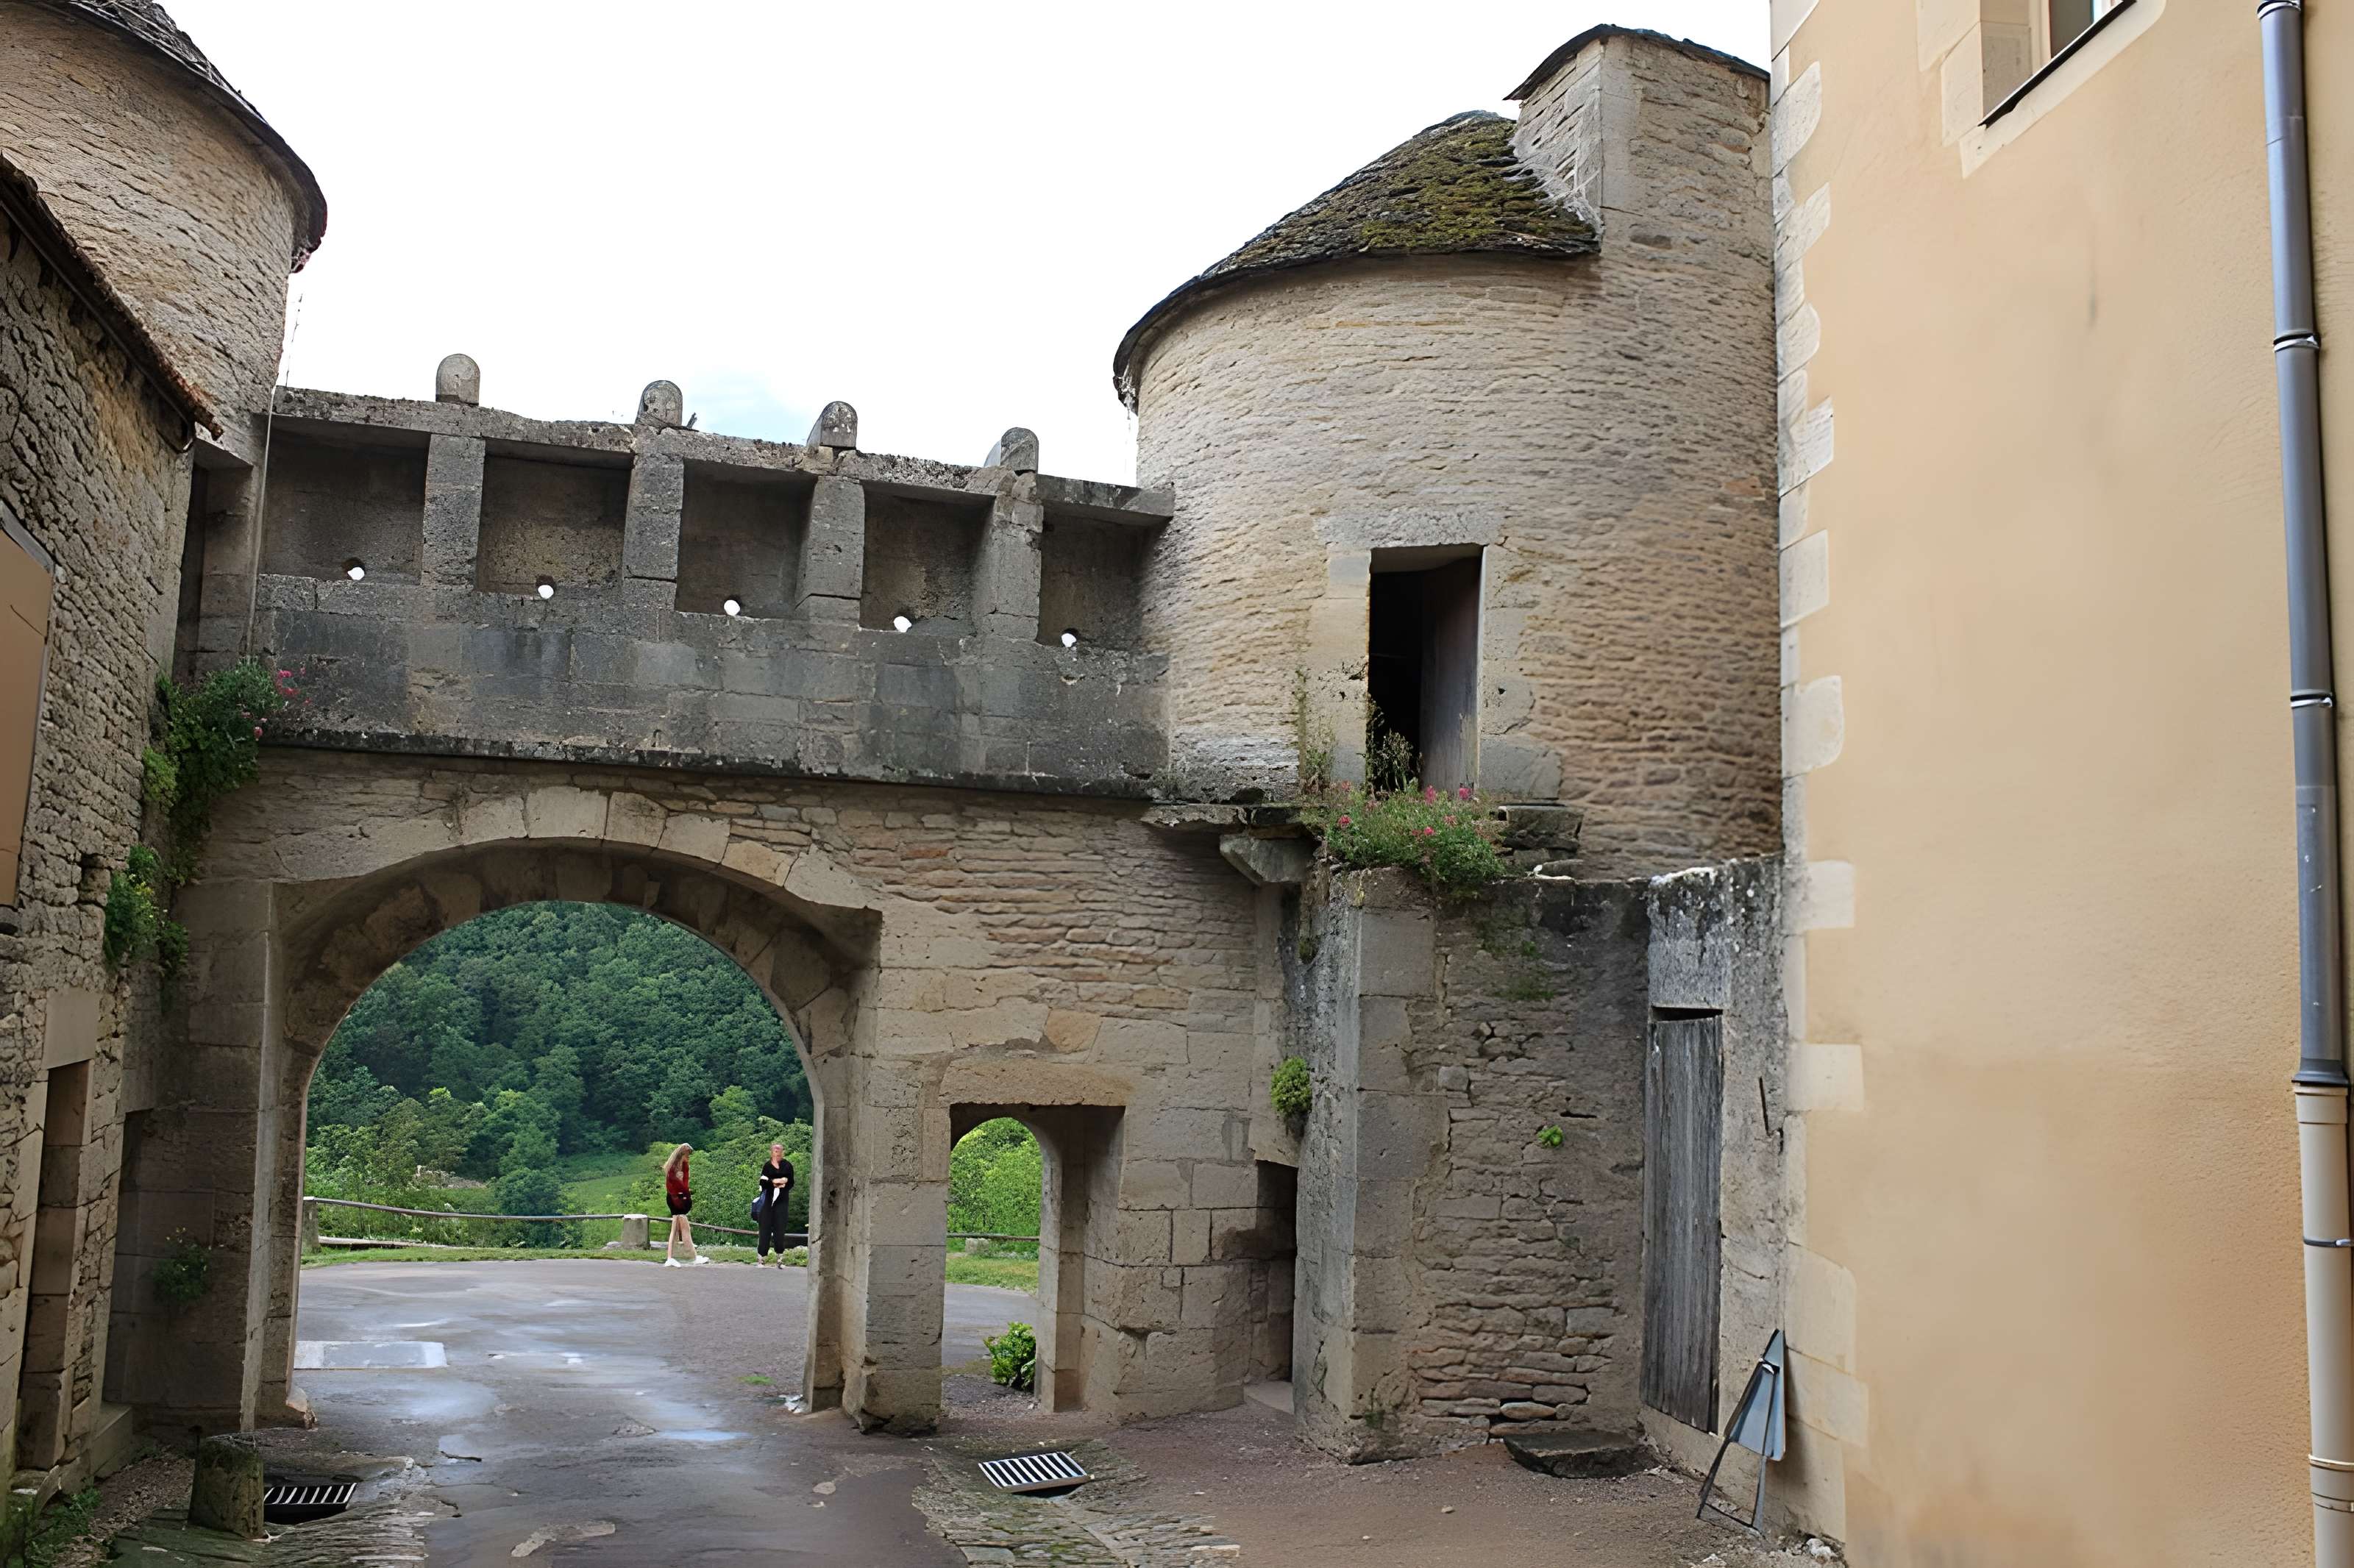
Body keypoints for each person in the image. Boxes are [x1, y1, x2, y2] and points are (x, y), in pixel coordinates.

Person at [662, 1143, 706, 1266]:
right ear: (683, 1153)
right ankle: (693, 1257)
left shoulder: (683, 1165)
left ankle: (671, 1257)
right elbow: (673, 1186)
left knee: (675, 1229)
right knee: (684, 1228)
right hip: (675, 1198)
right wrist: (683, 1196)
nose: (689, 1156)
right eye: (688, 1154)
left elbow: (685, 1183)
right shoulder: (674, 1167)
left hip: (678, 1198)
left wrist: (685, 1195)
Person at [756, 1142, 795, 1266]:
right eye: (775, 1150)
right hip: (768, 1201)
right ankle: (761, 1258)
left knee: (780, 1229)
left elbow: (789, 1182)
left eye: (779, 1150)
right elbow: (763, 1182)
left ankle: (780, 1259)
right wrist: (776, 1182)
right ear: (771, 1152)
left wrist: (776, 1182)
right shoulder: (767, 1166)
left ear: (782, 1152)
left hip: (782, 1201)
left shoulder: (787, 1165)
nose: (777, 1152)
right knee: (765, 1229)